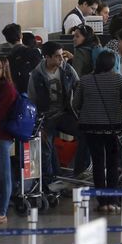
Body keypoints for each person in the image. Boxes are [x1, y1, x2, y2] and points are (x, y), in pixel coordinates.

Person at [73, 50, 122, 214]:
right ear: (112, 65)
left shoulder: (85, 80)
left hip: (91, 128)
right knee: (113, 164)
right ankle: (112, 200)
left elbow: (76, 103)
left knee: (98, 164)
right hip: (112, 127)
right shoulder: (116, 79)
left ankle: (102, 202)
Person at [28, 41, 83, 187]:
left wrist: (78, 107)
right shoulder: (36, 75)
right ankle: (49, 182)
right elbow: (32, 100)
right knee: (46, 150)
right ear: (47, 57)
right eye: (58, 56)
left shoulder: (67, 69)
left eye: (62, 55)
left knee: (85, 133)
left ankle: (81, 170)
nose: (61, 59)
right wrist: (38, 125)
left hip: (65, 113)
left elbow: (78, 86)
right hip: (46, 117)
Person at [0, 56, 17, 224]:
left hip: (2, 135)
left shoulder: (8, 89)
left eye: (0, 67)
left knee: (3, 173)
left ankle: (3, 210)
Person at [2, 23, 42, 94]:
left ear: (7, 40)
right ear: (21, 36)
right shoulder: (35, 52)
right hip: (36, 93)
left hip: (18, 95)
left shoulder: (8, 59)